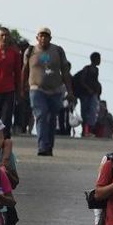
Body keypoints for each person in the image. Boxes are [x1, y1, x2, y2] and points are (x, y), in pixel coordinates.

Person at [22, 27, 73, 156]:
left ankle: (49, 145)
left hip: (55, 90)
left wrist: (70, 91)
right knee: (41, 115)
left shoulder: (58, 51)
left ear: (50, 38)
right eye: (41, 36)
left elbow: (65, 71)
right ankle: (42, 146)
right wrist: (22, 88)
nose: (43, 38)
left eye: (46, 36)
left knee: (51, 119)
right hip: (36, 89)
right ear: (37, 38)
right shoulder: (31, 51)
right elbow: (24, 70)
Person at [74, 53, 102, 136]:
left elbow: (95, 81)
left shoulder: (96, 70)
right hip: (85, 94)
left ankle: (89, 130)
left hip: (93, 94)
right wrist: (88, 89)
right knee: (85, 112)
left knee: (92, 113)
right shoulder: (87, 68)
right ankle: (85, 130)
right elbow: (82, 81)